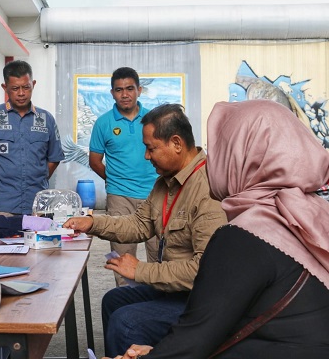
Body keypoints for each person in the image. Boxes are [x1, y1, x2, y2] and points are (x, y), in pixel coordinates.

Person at [108, 99, 329, 359]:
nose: (211, 162)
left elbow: (196, 337)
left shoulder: (246, 235)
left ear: (242, 157)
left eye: (221, 151)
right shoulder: (311, 214)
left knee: (128, 320)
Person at [63, 104, 227, 357]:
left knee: (127, 321)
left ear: (176, 143)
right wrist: (93, 223)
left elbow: (203, 271)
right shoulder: (166, 183)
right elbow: (140, 224)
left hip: (200, 299)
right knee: (113, 300)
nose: (147, 157)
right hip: (177, 290)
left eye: (151, 148)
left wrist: (141, 270)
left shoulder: (207, 190)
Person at [89, 67, 159, 287]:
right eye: (119, 90)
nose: (125, 94)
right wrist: (114, 182)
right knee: (121, 257)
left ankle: (157, 306)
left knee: (159, 256)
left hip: (155, 194)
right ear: (112, 93)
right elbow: (95, 160)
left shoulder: (153, 119)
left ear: (139, 90)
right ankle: (125, 306)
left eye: (130, 89)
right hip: (120, 198)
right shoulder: (103, 123)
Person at [0, 60, 65, 215]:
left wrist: (37, 178)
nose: (22, 93)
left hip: (36, 204)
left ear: (33, 84)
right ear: (5, 88)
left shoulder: (46, 119)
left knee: (38, 239)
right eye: (15, 88)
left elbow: (54, 158)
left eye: (26, 87)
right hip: (0, 205)